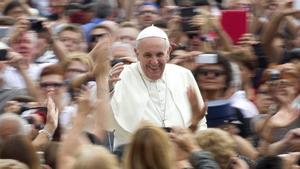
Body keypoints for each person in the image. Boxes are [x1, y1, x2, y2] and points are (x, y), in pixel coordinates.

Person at [110, 25, 207, 146]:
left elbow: (200, 122)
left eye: (159, 55)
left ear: (168, 52)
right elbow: (106, 123)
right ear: (137, 53)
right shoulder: (120, 76)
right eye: (148, 55)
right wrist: (107, 90)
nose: (154, 61)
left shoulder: (183, 74)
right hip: (134, 153)